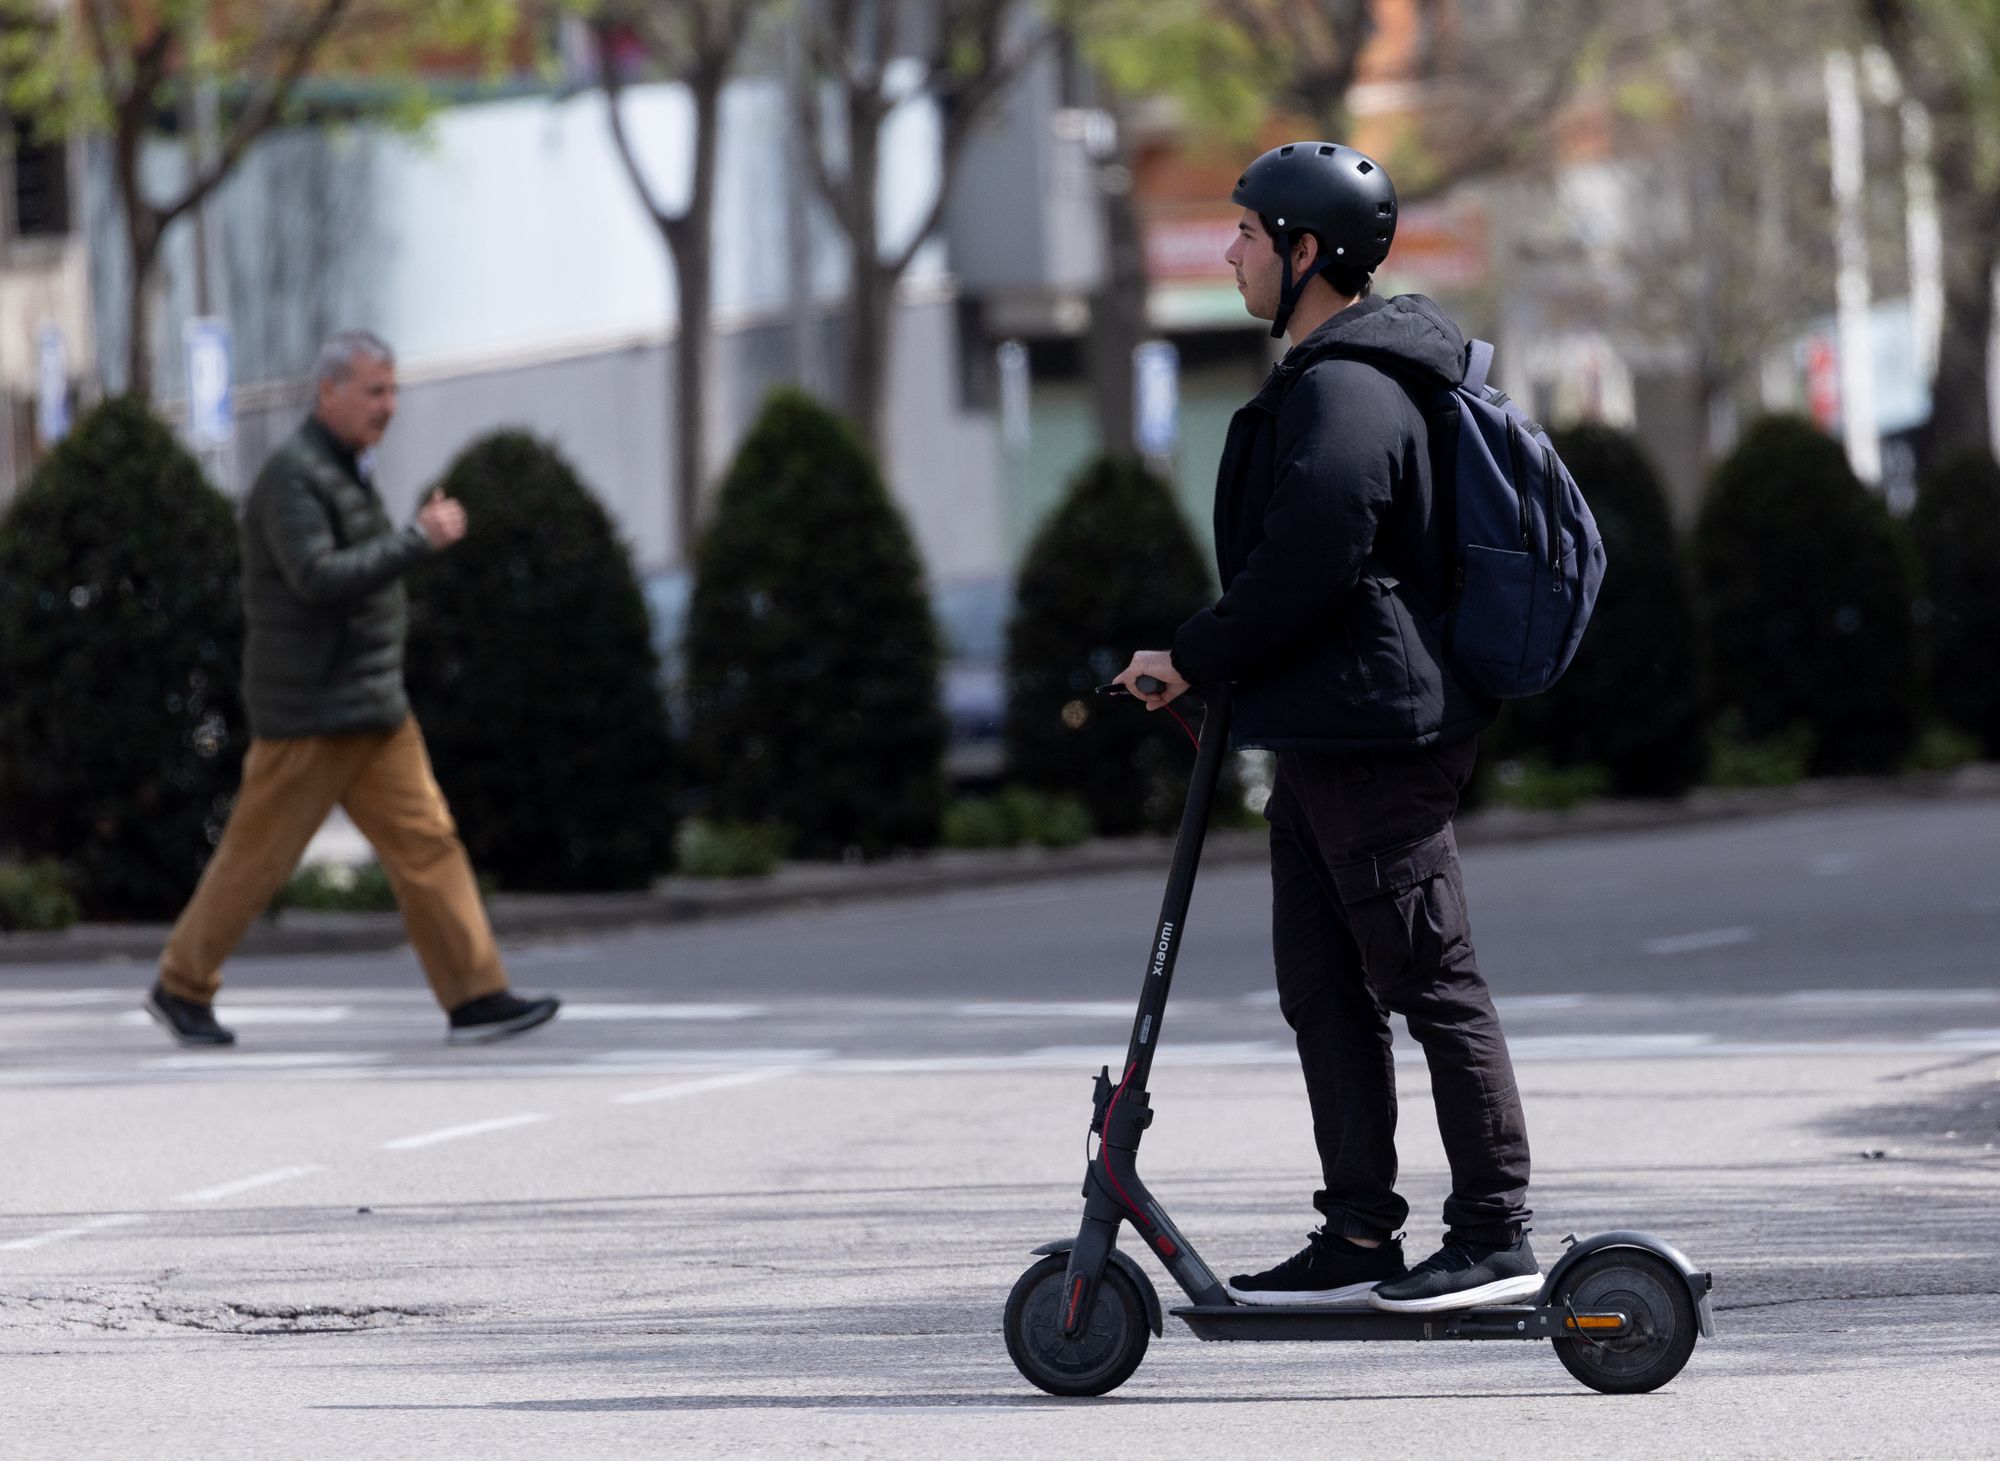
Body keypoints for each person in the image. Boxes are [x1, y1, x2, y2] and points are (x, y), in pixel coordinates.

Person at [1114, 142, 1538, 1314]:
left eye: (1248, 232)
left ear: (1307, 252)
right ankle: (1356, 1235)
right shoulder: (1326, 376)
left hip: (1377, 734)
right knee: (1322, 986)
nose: (1231, 250)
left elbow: (1309, 560)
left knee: (1426, 978)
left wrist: (1190, 655)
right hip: (1319, 729)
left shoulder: (1351, 391)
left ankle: (1494, 1232)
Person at [144, 330, 560, 1048]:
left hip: (370, 707)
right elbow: (318, 577)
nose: (389, 405)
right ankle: (181, 984)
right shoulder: (294, 477)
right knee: (258, 858)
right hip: (312, 713)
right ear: (328, 391)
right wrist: (417, 540)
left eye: (393, 390)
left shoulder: (341, 470)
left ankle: (476, 994)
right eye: (375, 390)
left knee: (429, 843)